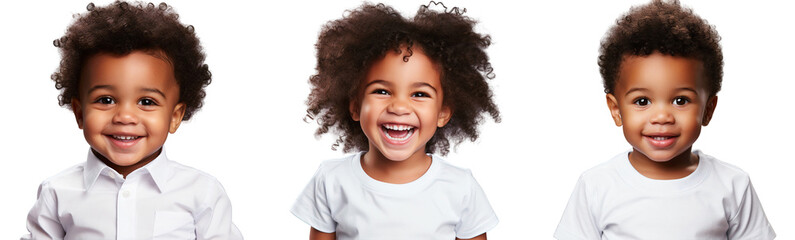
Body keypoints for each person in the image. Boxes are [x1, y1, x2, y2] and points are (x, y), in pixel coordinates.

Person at [554, 0, 775, 239]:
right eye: (642, 101)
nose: (661, 117)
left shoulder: (733, 185)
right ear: (616, 110)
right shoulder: (596, 186)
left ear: (708, 109)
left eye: (681, 101)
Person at [22, 1, 242, 239]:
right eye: (105, 100)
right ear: (80, 113)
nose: (125, 117)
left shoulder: (202, 193)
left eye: (147, 102)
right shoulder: (57, 193)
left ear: (175, 116)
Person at [291, 2, 500, 239]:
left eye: (419, 94)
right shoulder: (332, 180)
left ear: (443, 112)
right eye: (382, 91)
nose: (399, 107)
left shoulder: (460, 187)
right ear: (355, 106)